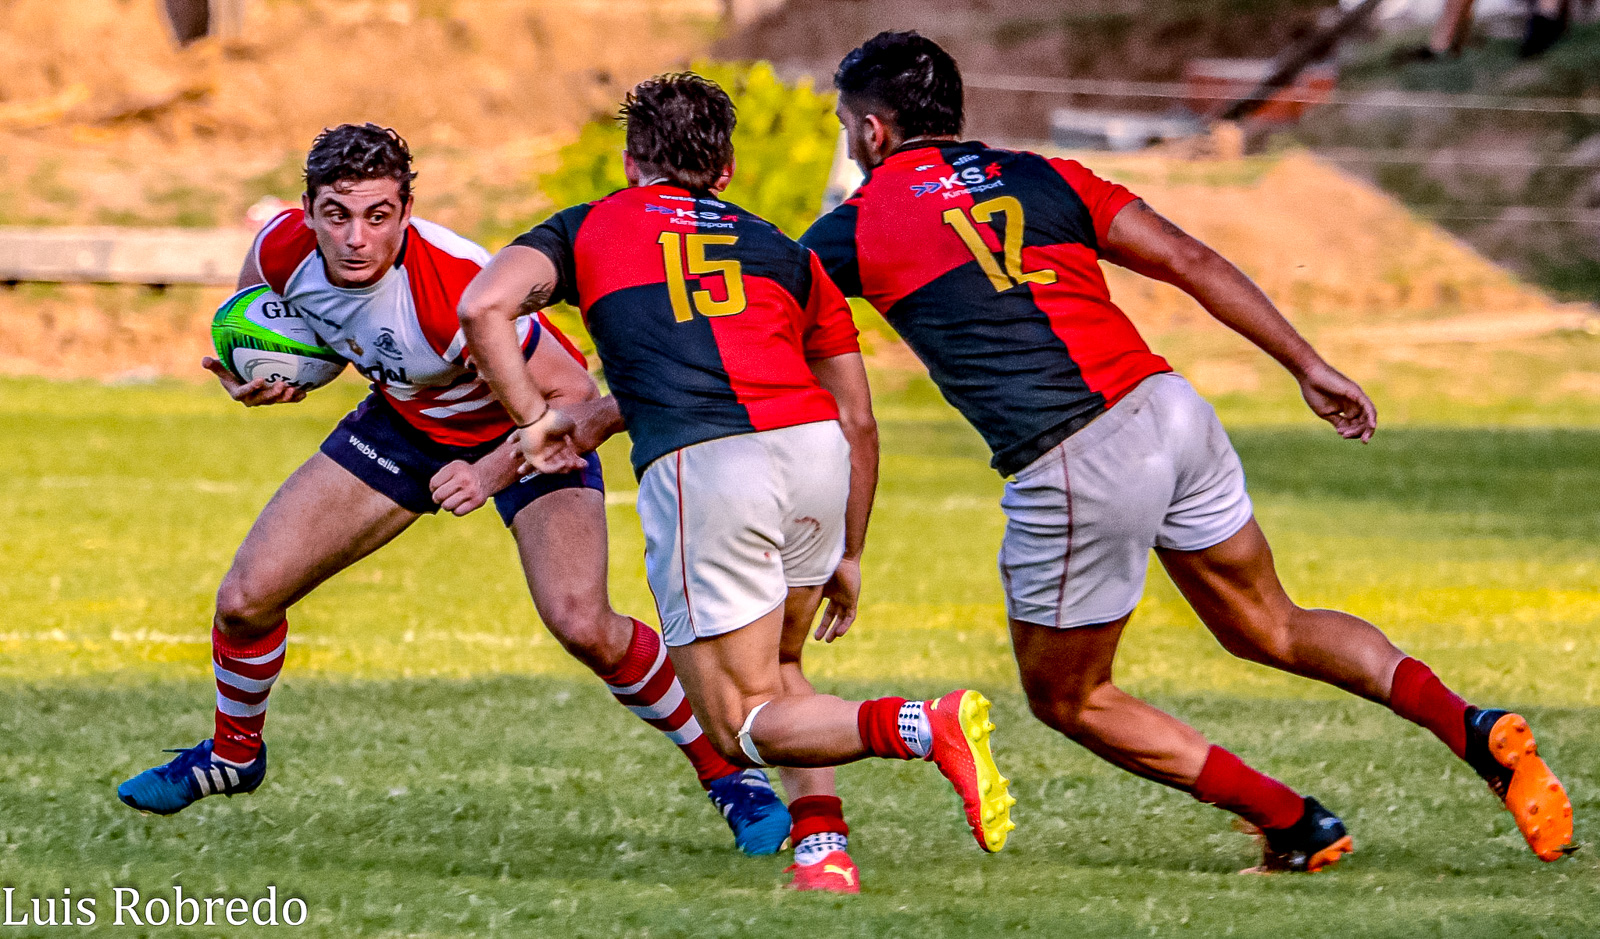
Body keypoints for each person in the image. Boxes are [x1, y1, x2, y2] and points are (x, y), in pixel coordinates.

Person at [801, 31, 1573, 872]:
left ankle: (1292, 821)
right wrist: (1307, 365)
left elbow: (755, 321)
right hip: (1169, 410)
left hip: (1076, 454)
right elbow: (1187, 258)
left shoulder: (854, 228)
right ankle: (1471, 726)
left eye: (846, 126)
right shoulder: (1047, 175)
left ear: (873, 130)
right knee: (1271, 623)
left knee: (1068, 695)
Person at [116, 123, 794, 857]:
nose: (356, 238)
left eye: (378, 216)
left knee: (582, 623)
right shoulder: (282, 248)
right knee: (245, 600)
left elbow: (574, 394)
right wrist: (265, 372)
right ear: (307, 210)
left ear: (406, 212)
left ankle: (730, 774)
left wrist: (493, 469)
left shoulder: (456, 289)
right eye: (336, 214)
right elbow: (266, 312)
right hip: (405, 423)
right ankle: (232, 754)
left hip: (530, 430)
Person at [458, 74, 1016, 892]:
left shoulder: (589, 225)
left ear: (630, 161)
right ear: (725, 172)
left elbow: (483, 307)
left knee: (736, 721)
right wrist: (849, 551)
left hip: (710, 467)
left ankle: (920, 724)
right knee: (782, 666)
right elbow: (858, 417)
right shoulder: (786, 252)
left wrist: (534, 420)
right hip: (815, 453)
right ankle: (824, 851)